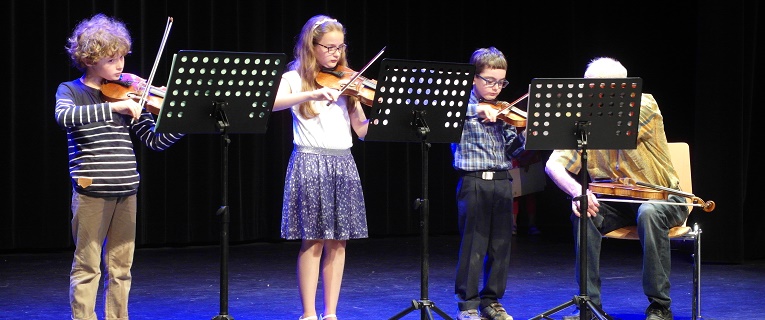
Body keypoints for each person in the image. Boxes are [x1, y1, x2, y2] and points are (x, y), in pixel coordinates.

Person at [54, 13, 185, 320]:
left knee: (121, 268)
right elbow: (64, 118)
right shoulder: (71, 91)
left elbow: (155, 141)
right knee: (87, 265)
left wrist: (180, 119)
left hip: (127, 189)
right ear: (89, 59)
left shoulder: (128, 92)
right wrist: (115, 106)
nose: (121, 66)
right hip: (92, 189)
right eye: (112, 59)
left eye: (123, 57)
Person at [545, 57, 686, 320]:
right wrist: (578, 191)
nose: (590, 94)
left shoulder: (645, 105)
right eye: (589, 87)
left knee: (649, 212)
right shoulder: (584, 123)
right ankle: (589, 305)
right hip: (617, 203)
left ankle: (659, 305)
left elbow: (617, 121)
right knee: (584, 212)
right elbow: (553, 165)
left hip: (664, 198)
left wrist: (570, 119)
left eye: (598, 88)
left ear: (622, 88)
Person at [272, 14, 370, 320]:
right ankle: (309, 313)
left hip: (343, 162)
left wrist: (379, 120)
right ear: (311, 45)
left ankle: (331, 313)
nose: (335, 53)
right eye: (329, 47)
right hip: (310, 161)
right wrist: (313, 92)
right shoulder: (294, 77)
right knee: (312, 239)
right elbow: (272, 102)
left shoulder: (347, 81)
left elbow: (362, 130)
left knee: (338, 242)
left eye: (340, 47)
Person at [451, 47, 524, 320]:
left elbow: (514, 151)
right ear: (473, 78)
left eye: (501, 82)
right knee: (473, 246)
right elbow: (448, 113)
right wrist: (477, 110)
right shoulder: (461, 105)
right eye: (489, 81)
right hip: (474, 181)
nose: (495, 88)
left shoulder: (502, 111)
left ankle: (491, 301)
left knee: (501, 247)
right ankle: (467, 305)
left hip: (503, 181)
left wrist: (525, 132)